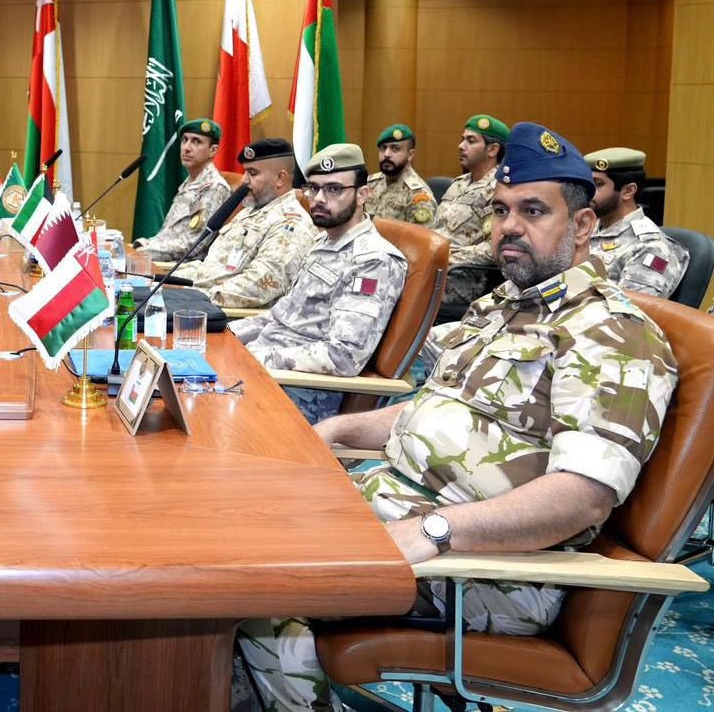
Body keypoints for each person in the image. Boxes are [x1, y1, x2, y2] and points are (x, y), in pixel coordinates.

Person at [237, 122, 678, 712]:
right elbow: (432, 410)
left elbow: (582, 498)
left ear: (581, 226)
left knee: (247, 586)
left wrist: (434, 531)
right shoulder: (503, 307)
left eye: (532, 211)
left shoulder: (612, 334)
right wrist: (334, 431)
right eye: (500, 210)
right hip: (393, 509)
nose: (509, 226)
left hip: (492, 568)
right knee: (230, 523)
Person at [229, 144, 407, 424]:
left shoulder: (373, 261)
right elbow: (280, 317)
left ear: (362, 194)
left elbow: (342, 356)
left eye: (334, 189)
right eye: (314, 188)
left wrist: (256, 358)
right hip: (262, 373)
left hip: (299, 393)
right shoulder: (324, 240)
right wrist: (224, 334)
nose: (320, 199)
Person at [171, 138, 314, 308]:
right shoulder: (248, 212)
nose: (244, 181)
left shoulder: (291, 225)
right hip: (201, 302)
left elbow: (255, 287)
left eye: (252, 173)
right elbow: (212, 269)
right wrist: (167, 279)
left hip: (229, 315)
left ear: (280, 178)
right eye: (245, 172)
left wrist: (190, 297)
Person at [585, 147, 687, 299]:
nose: (587, 192)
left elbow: (632, 308)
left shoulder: (652, 247)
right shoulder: (583, 229)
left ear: (628, 191)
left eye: (598, 184)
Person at [432, 114, 508, 317]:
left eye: (471, 141)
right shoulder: (458, 184)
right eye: (462, 139)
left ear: (492, 150)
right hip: (434, 271)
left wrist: (446, 257)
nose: (461, 146)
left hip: (461, 280)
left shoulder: (500, 190)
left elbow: (495, 247)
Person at [133, 118, 233, 262]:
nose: (186, 147)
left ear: (213, 150)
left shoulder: (214, 187)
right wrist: (143, 245)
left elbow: (194, 245)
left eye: (196, 141)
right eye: (185, 140)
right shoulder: (189, 183)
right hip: (161, 260)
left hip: (183, 268)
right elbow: (167, 235)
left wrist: (144, 252)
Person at [363, 123, 436, 226]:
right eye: (383, 148)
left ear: (410, 155)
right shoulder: (370, 183)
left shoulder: (418, 195)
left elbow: (420, 235)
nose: (386, 154)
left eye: (395, 149)